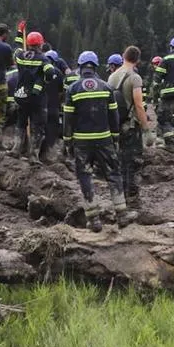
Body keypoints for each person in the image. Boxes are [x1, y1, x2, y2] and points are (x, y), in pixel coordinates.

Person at [64, 50, 136, 231]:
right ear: (95, 67)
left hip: (81, 142)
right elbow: (114, 115)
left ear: (80, 67)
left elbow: (68, 119)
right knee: (113, 174)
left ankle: (94, 220)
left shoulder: (73, 89)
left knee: (85, 177)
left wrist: (67, 141)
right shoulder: (105, 87)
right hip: (104, 139)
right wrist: (115, 136)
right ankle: (121, 214)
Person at [108, 46, 149, 208]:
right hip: (131, 126)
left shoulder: (112, 77)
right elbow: (139, 105)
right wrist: (146, 128)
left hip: (116, 124)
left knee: (120, 160)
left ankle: (120, 197)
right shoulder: (135, 78)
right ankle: (132, 198)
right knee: (134, 161)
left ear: (123, 57)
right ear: (137, 60)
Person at [12, 31, 60, 164]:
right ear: (40, 43)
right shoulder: (43, 58)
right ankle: (33, 155)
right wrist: (45, 81)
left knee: (21, 123)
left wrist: (19, 33)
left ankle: (16, 150)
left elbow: (16, 49)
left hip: (21, 95)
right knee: (37, 126)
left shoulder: (20, 55)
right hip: (36, 98)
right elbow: (50, 71)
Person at [41, 48, 69, 159]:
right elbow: (61, 92)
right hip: (54, 109)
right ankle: (49, 154)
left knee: (39, 130)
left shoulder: (39, 70)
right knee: (52, 132)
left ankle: (36, 152)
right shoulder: (58, 73)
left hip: (41, 108)